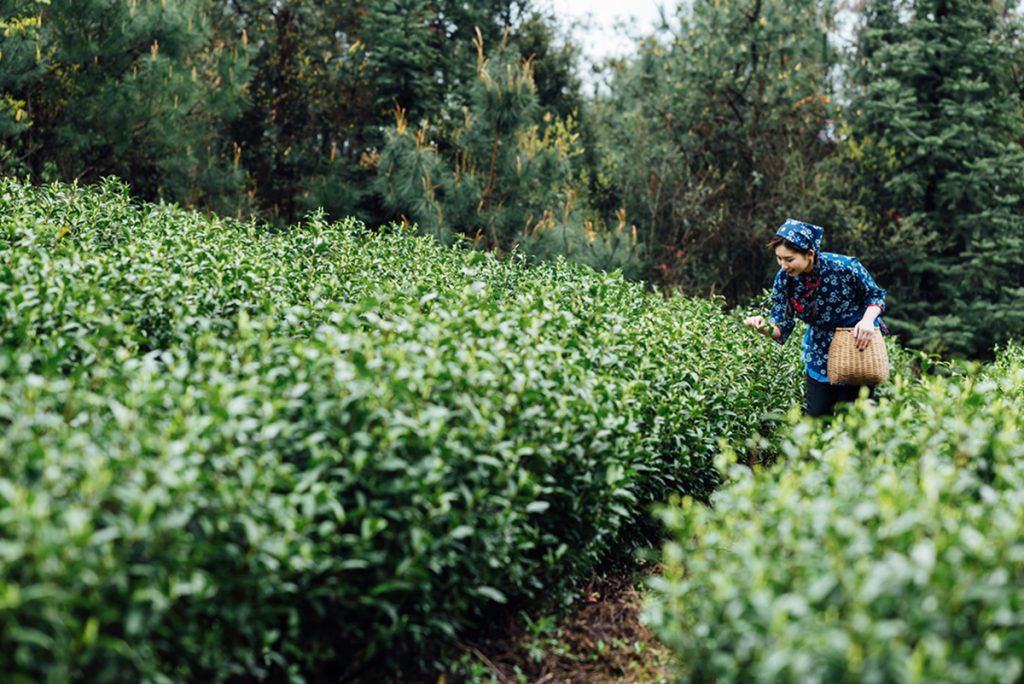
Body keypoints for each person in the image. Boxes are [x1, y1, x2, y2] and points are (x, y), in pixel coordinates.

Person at [743, 218, 887, 418]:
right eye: (779, 258)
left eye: (789, 259)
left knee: (854, 420)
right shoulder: (784, 279)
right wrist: (762, 326)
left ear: (809, 254)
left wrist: (867, 320)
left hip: (856, 344)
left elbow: (875, 295)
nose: (783, 265)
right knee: (816, 417)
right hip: (820, 351)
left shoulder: (844, 266)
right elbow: (781, 326)